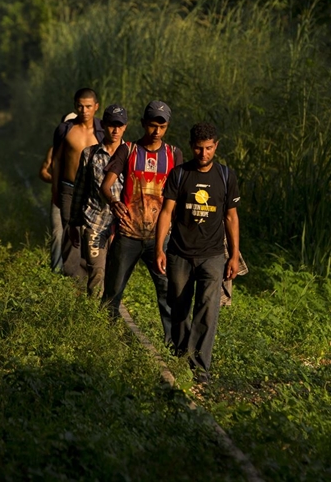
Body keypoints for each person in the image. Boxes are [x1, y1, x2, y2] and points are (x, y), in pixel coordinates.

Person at [155, 122, 241, 383]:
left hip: (213, 255)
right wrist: (159, 248)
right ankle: (181, 355)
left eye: (208, 148)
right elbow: (167, 212)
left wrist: (234, 255)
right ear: (191, 146)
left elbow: (231, 218)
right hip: (180, 252)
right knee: (179, 306)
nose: (203, 154)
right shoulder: (180, 174)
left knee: (208, 308)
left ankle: (200, 366)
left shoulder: (226, 176)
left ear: (216, 146)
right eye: (198, 148)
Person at [100, 101, 183, 344]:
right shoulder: (128, 150)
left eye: (162, 126)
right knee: (113, 292)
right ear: (143, 124)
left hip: (160, 237)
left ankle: (173, 346)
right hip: (128, 234)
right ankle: (105, 341)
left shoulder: (173, 154)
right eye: (152, 125)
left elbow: (180, 194)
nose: (156, 131)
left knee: (168, 293)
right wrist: (114, 202)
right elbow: (106, 185)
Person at [68, 104, 128, 297]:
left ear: (126, 127)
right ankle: (94, 317)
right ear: (103, 125)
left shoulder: (132, 155)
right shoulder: (90, 154)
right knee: (97, 271)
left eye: (120, 125)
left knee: (117, 273)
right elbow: (80, 190)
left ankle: (111, 314)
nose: (115, 130)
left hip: (122, 225)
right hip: (94, 222)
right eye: (112, 125)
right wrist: (73, 223)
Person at [52, 88, 105, 280]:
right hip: (69, 188)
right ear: (75, 106)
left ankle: (89, 278)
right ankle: (71, 279)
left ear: (96, 107)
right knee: (70, 232)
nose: (84, 110)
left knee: (90, 234)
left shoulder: (102, 131)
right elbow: (56, 161)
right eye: (80, 106)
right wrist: (55, 189)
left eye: (88, 106)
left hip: (93, 192)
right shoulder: (65, 129)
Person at [39, 112, 77, 272]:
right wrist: (54, 179)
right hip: (59, 196)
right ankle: (56, 269)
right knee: (58, 232)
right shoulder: (54, 149)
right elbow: (43, 171)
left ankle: (74, 270)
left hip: (79, 196)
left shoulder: (87, 146)